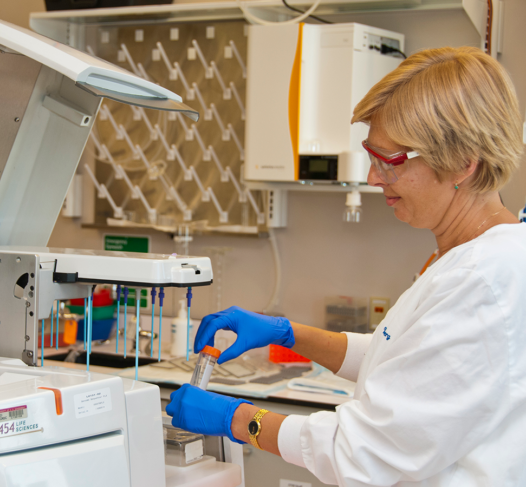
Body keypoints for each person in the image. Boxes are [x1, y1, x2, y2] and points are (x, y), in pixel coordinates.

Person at [166, 46, 526, 486]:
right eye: (370, 157)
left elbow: (364, 454)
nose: (374, 178)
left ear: (462, 164)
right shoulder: (470, 258)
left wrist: (237, 418)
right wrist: (290, 333)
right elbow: (402, 361)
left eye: (388, 161)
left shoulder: (484, 281)